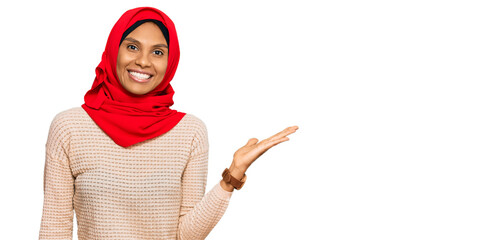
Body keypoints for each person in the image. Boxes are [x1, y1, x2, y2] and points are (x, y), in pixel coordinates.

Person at [38, 6, 298, 240]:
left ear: (170, 62)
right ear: (113, 49)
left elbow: (185, 234)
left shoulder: (190, 132)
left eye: (158, 52)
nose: (143, 61)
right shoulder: (70, 127)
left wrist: (233, 176)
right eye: (132, 47)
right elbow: (55, 228)